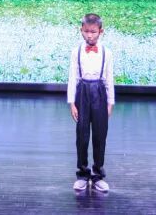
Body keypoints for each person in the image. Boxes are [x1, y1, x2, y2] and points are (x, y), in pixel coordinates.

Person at [67, 13, 115, 193]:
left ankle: (97, 175)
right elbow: (73, 77)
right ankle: (82, 174)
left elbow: (109, 78)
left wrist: (110, 102)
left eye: (93, 32)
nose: (89, 35)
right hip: (82, 92)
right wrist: (72, 102)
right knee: (82, 135)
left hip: (99, 92)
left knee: (100, 135)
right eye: (86, 31)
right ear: (81, 30)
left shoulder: (107, 53)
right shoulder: (76, 51)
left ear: (101, 32)